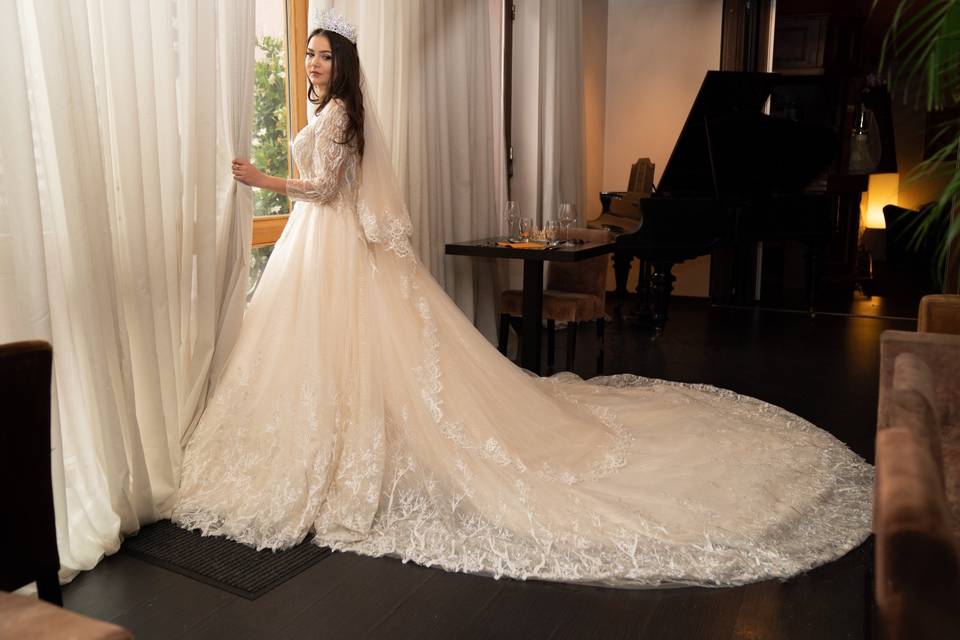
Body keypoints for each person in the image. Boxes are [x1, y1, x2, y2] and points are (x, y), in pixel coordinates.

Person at [173, 10, 872, 588]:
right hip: (321, 248)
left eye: (322, 55)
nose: (311, 64)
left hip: (325, 241)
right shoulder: (333, 112)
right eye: (307, 54)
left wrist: (261, 177)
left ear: (344, 62)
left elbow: (326, 191)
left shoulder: (340, 115)